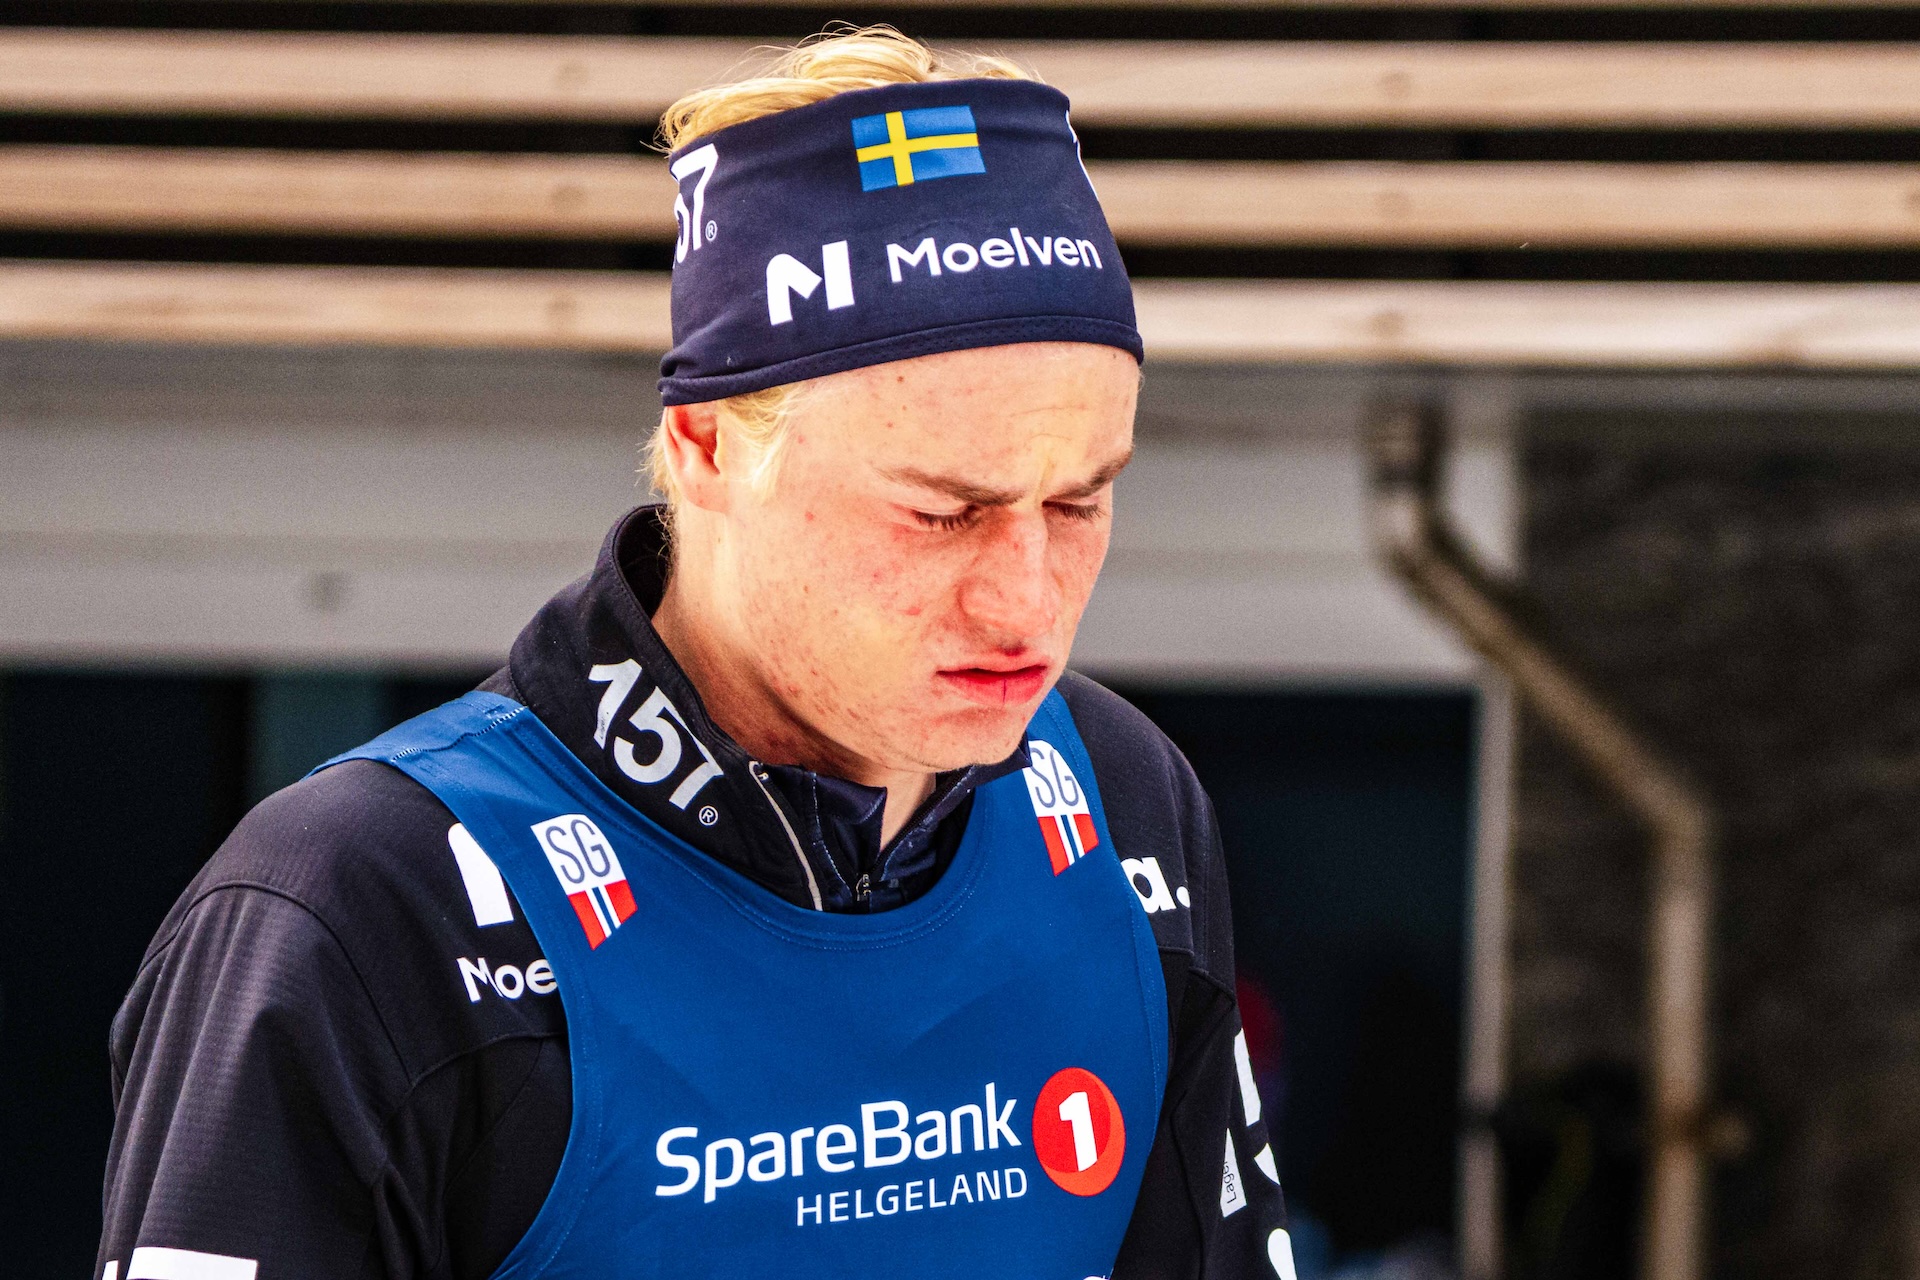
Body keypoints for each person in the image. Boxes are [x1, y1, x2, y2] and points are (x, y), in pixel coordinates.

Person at [98, 28, 1292, 1280]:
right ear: (709, 444)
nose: (1027, 599)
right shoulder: (364, 904)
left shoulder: (1118, 799)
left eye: (1081, 500)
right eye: (943, 511)